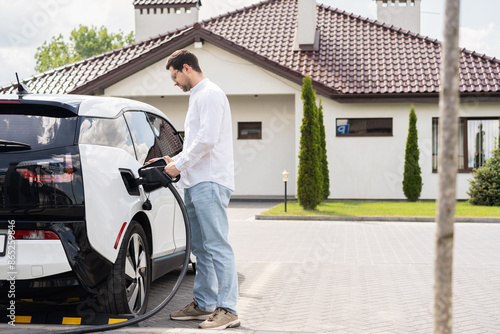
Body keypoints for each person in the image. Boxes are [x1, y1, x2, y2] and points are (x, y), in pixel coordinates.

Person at [162, 49, 240, 330]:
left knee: (217, 245)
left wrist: (180, 163)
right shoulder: (197, 96)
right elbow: (198, 140)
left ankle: (228, 309)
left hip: (210, 180)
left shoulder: (210, 94)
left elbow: (207, 139)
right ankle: (204, 304)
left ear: (186, 68)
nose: (174, 83)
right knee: (202, 248)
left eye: (175, 76)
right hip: (194, 181)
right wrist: (177, 161)